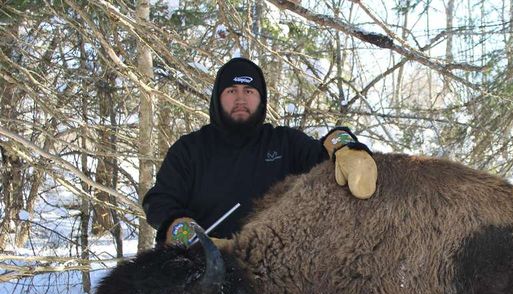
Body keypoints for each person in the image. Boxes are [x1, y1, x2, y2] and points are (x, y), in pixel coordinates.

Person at [142, 57, 377, 246]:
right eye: (232, 91)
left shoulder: (285, 143)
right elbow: (159, 201)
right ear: (218, 98)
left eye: (249, 90)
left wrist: (345, 145)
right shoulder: (190, 149)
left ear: (261, 99)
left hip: (271, 274)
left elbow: (323, 155)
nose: (241, 98)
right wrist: (182, 230)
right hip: (201, 266)